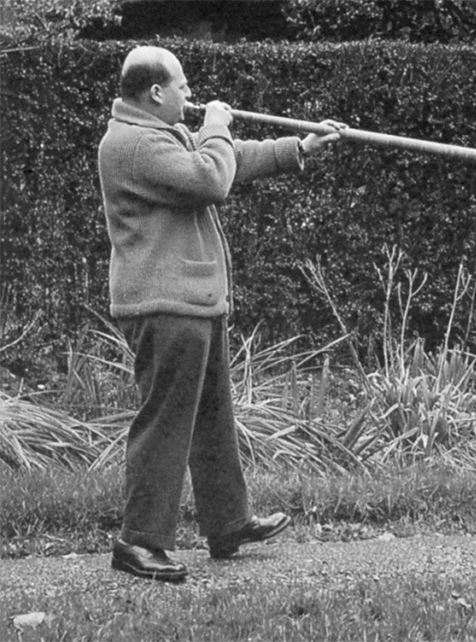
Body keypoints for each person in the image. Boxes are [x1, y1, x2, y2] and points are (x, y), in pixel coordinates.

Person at [98, 45, 345, 582]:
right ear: (156, 92)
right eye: (183, 86)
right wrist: (215, 125)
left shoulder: (160, 134)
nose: (191, 95)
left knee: (212, 415)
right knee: (164, 423)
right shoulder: (134, 144)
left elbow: (228, 157)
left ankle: (228, 522)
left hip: (192, 301)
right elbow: (213, 176)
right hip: (164, 305)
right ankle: (138, 543)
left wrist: (298, 147)